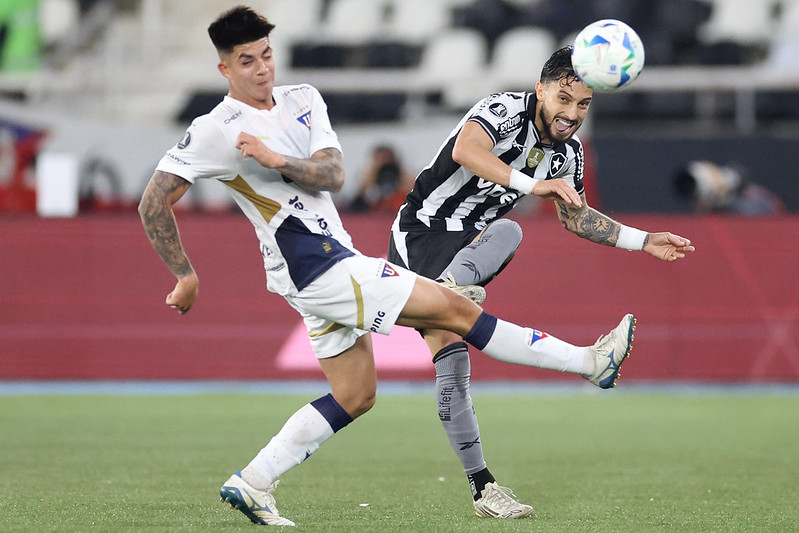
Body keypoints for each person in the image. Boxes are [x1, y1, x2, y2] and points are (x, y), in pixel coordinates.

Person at [138, 8, 686, 526]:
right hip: (367, 250)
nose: (261, 68)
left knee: (357, 394)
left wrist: (641, 240)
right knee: (456, 312)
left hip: (336, 259)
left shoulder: (302, 98)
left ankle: (254, 481)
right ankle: (589, 362)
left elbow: (331, 174)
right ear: (224, 68)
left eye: (265, 54)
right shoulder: (218, 127)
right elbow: (154, 200)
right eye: (246, 60)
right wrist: (184, 273)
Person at [387, 45, 696, 517]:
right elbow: (465, 151)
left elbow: (577, 219)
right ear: (541, 89)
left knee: (456, 354)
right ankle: (461, 296)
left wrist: (642, 240)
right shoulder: (504, 109)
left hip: (473, 246)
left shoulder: (566, 155)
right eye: (564, 99)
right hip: (423, 232)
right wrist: (533, 186)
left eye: (584, 105)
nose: (572, 114)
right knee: (505, 239)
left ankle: (483, 489)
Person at [347, 144, 414, 213]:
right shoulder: (367, 191)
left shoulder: (404, 185)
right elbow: (354, 207)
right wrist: (365, 185)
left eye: (389, 160)